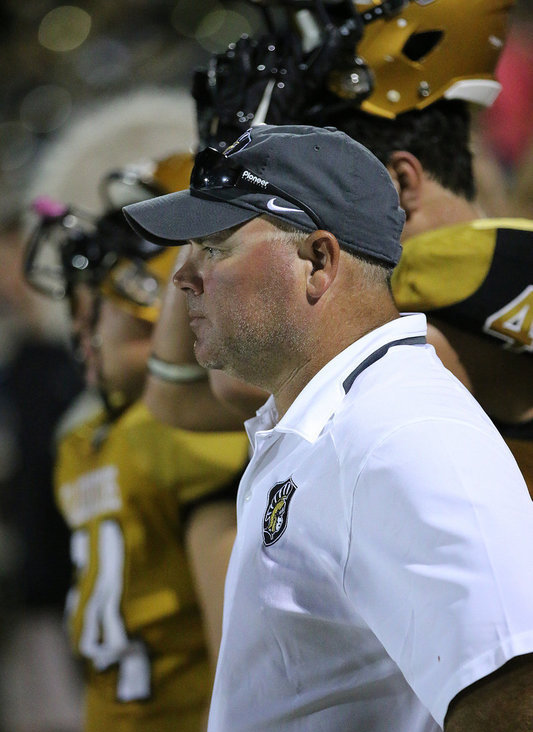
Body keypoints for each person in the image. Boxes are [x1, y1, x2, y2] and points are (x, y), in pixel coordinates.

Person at [124, 123, 533, 732]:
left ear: (317, 260)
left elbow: (514, 681)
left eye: (217, 246)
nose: (184, 277)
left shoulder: (397, 427)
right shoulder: (331, 419)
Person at [189, 0, 533, 495]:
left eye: (316, 188)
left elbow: (224, 385)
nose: (300, 216)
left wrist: (232, 162)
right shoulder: (496, 262)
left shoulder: (446, 276)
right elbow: (181, 401)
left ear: (398, 183)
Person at [25, 153, 250, 732]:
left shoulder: (179, 434)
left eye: (100, 312)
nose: (81, 335)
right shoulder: (84, 438)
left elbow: (234, 649)